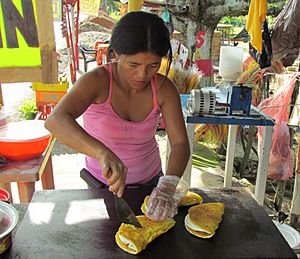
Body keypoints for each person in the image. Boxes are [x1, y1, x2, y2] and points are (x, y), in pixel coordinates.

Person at [45, 11, 190, 221]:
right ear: (114, 54)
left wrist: (167, 186)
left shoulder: (164, 89)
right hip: (102, 186)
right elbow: (56, 121)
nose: (142, 75)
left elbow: (179, 144)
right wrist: (102, 153)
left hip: (152, 185)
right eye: (133, 65)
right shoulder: (97, 81)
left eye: (153, 66)